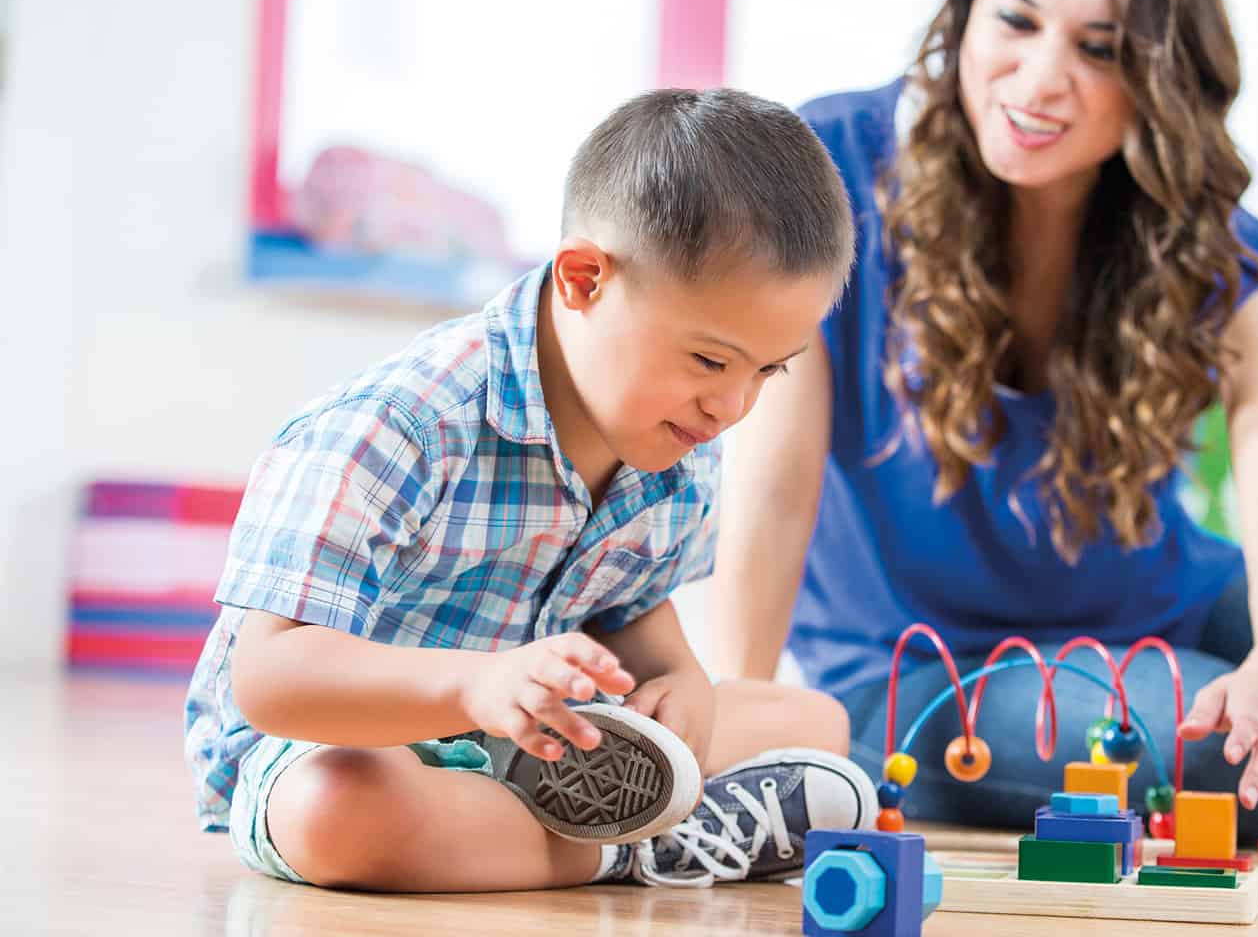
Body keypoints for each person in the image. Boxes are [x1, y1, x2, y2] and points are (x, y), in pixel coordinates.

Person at [710, 0, 1258, 848]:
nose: (1042, 80)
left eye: (1102, 47)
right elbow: (773, 488)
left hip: (1169, 605)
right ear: (966, 12)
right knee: (1215, 764)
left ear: (1162, 77)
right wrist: (746, 719)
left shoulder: (1222, 253)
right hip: (915, 662)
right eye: (1015, 21)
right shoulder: (831, 170)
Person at [184, 87, 881, 894]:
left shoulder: (678, 444)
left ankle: (570, 826)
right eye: (710, 361)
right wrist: (473, 685)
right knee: (341, 813)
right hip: (343, 747)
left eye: (770, 369)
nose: (733, 407)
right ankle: (638, 851)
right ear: (584, 279)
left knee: (818, 723)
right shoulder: (404, 423)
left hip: (541, 742)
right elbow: (269, 680)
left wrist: (681, 684)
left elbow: (633, 609)